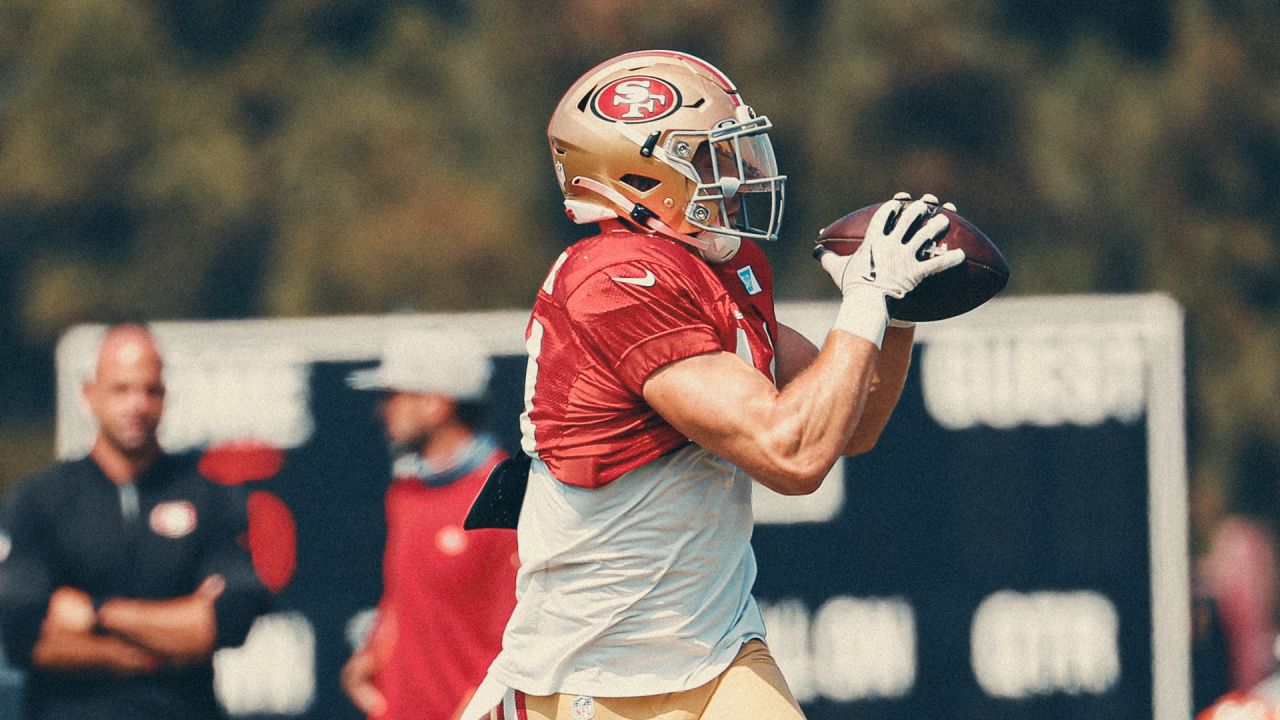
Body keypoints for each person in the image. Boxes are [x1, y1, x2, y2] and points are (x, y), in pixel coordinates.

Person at [459, 50, 965, 720]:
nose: (736, 177)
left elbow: (849, 424)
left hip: (718, 652)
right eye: (707, 159)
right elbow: (791, 454)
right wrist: (864, 303)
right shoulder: (615, 280)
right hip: (592, 674)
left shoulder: (723, 270)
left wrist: (893, 319)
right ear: (639, 175)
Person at [0, 323, 271, 720]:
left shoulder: (210, 497)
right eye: (121, 389)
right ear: (89, 395)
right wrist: (162, 644)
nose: (137, 405)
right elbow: (25, 637)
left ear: (165, 397)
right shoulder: (41, 499)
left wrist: (96, 611)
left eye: (151, 390)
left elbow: (225, 623)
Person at [341, 329, 518, 720]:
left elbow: (518, 636)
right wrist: (371, 658)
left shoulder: (507, 498)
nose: (382, 410)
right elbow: (401, 601)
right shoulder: (405, 493)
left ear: (436, 404)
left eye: (393, 395)